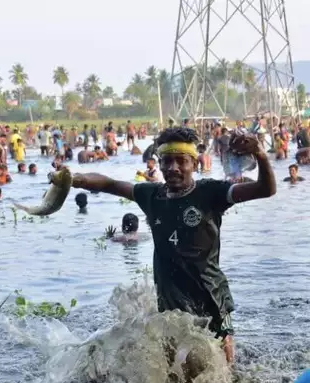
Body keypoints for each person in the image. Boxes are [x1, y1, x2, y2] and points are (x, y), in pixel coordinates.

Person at [53, 126, 277, 363]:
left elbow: (266, 189)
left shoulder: (211, 192)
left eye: (181, 161)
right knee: (173, 363)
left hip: (212, 298)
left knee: (223, 364)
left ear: (194, 163)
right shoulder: (151, 196)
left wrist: (261, 155)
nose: (173, 168)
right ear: (159, 164)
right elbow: (109, 184)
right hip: (170, 302)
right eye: (167, 161)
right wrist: (74, 179)